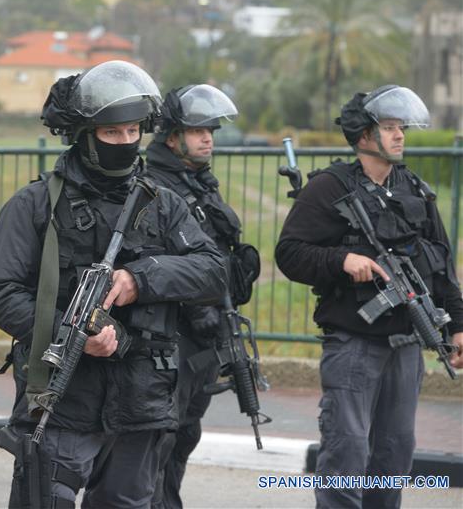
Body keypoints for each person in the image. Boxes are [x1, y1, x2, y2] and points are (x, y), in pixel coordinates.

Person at [0, 60, 227, 508]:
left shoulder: (163, 204)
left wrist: (141, 278)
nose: (125, 141)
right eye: (111, 132)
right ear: (85, 135)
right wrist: (73, 335)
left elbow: (213, 270)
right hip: (62, 397)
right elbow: (4, 296)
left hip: (142, 400)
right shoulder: (35, 205)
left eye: (133, 131)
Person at [275, 85, 463, 509]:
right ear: (364, 135)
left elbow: (442, 264)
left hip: (407, 345)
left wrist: (458, 325)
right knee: (347, 452)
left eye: (402, 128)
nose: (400, 136)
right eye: (390, 127)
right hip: (354, 344)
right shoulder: (330, 187)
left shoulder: (414, 189)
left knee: (394, 454)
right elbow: (289, 253)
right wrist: (342, 260)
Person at [144, 84, 259, 509]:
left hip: (208, 334)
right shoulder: (153, 184)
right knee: (159, 437)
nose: (207, 138)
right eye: (197, 131)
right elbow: (158, 259)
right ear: (172, 137)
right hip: (171, 335)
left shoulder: (200, 183)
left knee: (186, 433)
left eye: (210, 131)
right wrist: (197, 307)